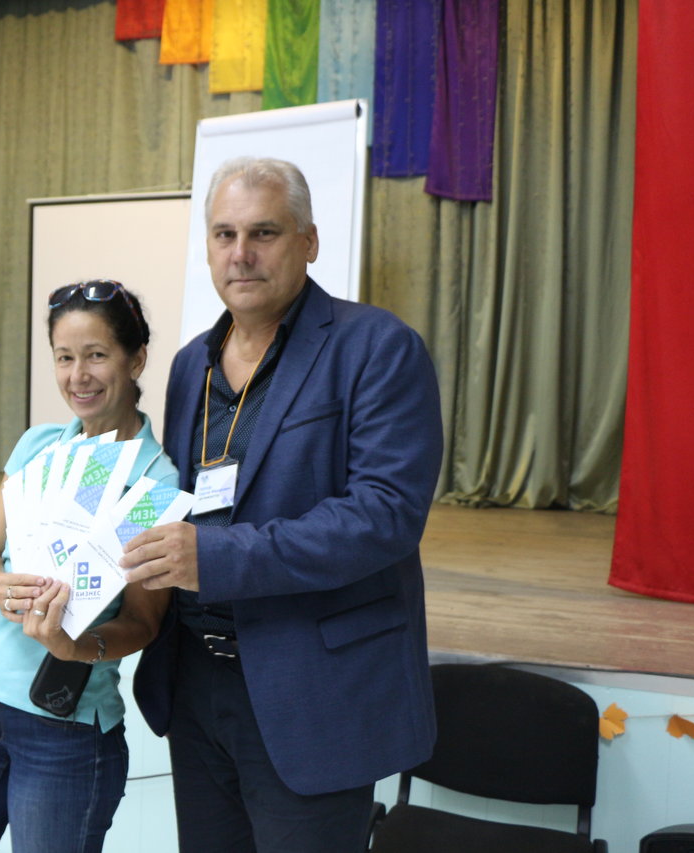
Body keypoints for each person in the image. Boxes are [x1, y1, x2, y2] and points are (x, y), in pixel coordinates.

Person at [120, 157, 444, 852]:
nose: (241, 253)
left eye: (263, 232)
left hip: (311, 690)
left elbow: (384, 514)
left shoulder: (377, 347)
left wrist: (216, 557)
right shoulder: (190, 364)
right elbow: (175, 497)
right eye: (224, 234)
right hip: (195, 683)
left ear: (309, 241)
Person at [0, 280, 179, 853]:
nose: (78, 376)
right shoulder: (38, 447)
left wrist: (74, 647)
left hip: (65, 730)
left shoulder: (154, 483)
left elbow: (143, 623)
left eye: (96, 355)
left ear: (136, 359)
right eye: (64, 357)